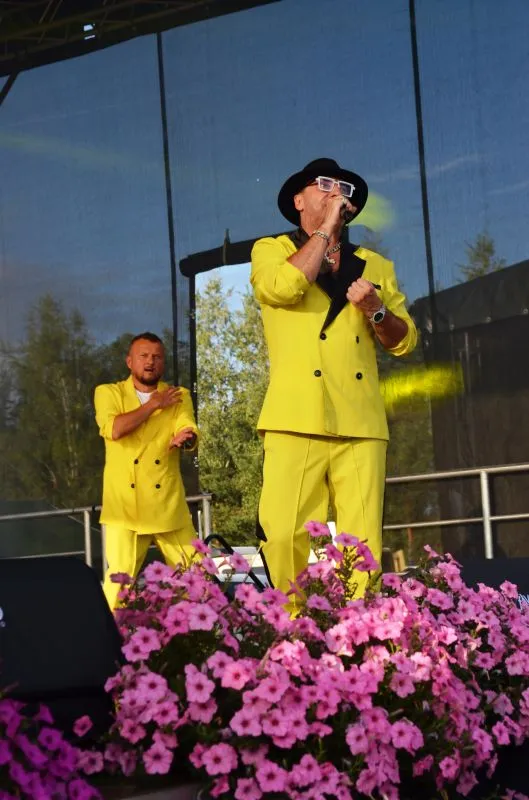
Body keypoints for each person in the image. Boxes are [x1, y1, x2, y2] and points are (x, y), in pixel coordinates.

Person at [250, 157, 417, 608]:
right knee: (282, 533)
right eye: (323, 184)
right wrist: (325, 230)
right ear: (298, 200)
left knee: (362, 543)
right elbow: (281, 288)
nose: (335, 191)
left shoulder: (375, 264)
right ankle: (291, 626)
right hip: (294, 415)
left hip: (359, 420)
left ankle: (362, 632)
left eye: (342, 187)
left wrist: (376, 310)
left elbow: (405, 340)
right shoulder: (270, 250)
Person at [94, 332, 198, 610]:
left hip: (167, 503)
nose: (150, 361)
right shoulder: (108, 393)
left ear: (163, 363)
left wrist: (186, 437)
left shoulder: (178, 395)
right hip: (124, 506)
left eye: (157, 357)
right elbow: (114, 429)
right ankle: (108, 633)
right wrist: (153, 404)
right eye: (143, 356)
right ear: (129, 361)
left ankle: (203, 630)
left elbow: (186, 424)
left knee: (196, 576)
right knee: (119, 580)